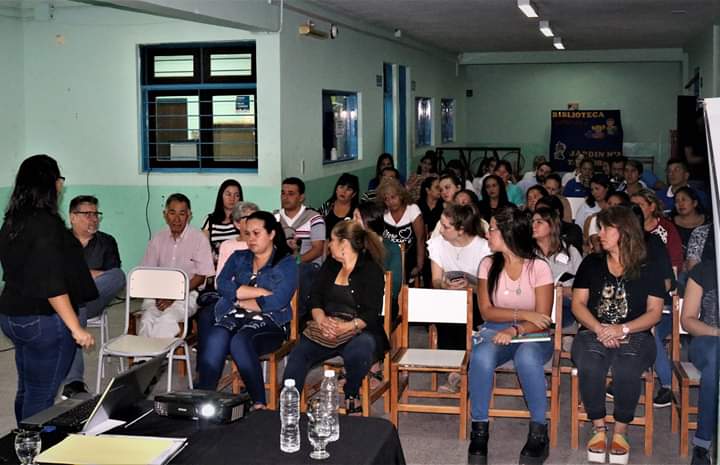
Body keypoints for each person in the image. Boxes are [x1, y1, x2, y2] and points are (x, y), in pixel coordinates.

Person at [0, 155, 96, 422]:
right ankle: (30, 453)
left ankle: (19, 442)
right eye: (60, 180)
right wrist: (76, 328)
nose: (61, 186)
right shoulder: (46, 225)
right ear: (51, 184)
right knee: (42, 394)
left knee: (28, 387)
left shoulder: (12, 220)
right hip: (42, 321)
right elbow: (52, 284)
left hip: (12, 315)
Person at [571, 206, 665, 464]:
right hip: (593, 330)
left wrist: (622, 328)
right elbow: (578, 304)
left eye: (605, 228)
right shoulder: (591, 263)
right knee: (590, 363)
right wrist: (600, 328)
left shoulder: (649, 265)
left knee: (626, 366)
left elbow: (655, 312)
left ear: (623, 231)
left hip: (635, 333)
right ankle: (599, 427)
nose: (599, 233)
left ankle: (620, 431)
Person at [468, 206, 555, 464]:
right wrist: (523, 315)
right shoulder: (487, 264)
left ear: (507, 233)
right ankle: (479, 430)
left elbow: (543, 320)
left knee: (527, 359)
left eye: (492, 228)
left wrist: (516, 328)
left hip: (533, 335)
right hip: (499, 329)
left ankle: (539, 432)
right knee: (481, 357)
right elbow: (486, 311)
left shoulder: (539, 267)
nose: (487, 234)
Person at [283, 220, 387, 413]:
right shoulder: (330, 265)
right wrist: (322, 321)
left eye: (331, 240)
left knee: (360, 349)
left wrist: (344, 327)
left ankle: (351, 395)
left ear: (344, 244)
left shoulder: (371, 270)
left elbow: (371, 313)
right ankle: (289, 401)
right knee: (299, 354)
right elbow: (314, 298)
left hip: (358, 329)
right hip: (325, 326)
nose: (328, 245)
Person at [197, 212, 298, 409]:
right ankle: (203, 398)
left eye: (256, 233)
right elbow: (222, 284)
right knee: (216, 335)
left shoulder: (286, 264)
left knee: (240, 341)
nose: (250, 239)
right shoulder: (239, 257)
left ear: (271, 234)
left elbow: (277, 301)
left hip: (271, 323)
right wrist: (256, 293)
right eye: (247, 233)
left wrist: (238, 298)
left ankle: (259, 402)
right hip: (236, 315)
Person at [61, 195, 126, 399]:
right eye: (87, 214)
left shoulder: (106, 242)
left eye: (96, 214)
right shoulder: (59, 240)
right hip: (69, 303)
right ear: (73, 217)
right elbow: (54, 275)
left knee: (118, 276)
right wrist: (90, 274)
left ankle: (76, 299)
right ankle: (74, 383)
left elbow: (111, 275)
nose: (94, 219)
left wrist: (76, 276)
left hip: (96, 300)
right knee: (76, 307)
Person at [140, 193, 215, 338]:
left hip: (187, 294)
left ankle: (154, 357)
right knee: (148, 318)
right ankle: (143, 359)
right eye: (172, 213)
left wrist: (175, 295)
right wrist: (158, 294)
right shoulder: (157, 238)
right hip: (158, 293)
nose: (176, 219)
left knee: (167, 319)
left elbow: (201, 277)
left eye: (182, 213)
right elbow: (147, 272)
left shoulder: (199, 239)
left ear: (189, 215)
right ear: (165, 214)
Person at [428, 204, 491, 355]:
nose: (441, 230)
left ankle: (467, 357)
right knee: (446, 307)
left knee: (468, 307)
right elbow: (435, 280)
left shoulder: (484, 248)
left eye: (446, 227)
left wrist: (469, 287)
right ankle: (452, 359)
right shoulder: (437, 244)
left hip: (477, 298)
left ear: (461, 230)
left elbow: (489, 289)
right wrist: (444, 285)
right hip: (449, 298)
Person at [680, 259, 719, 465]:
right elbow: (687, 319)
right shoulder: (705, 269)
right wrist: (717, 332)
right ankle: (703, 444)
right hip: (706, 340)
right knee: (716, 357)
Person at [276, 177, 326, 316]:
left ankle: (298, 317)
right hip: (282, 265)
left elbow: (317, 249)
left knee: (298, 271)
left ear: (301, 197)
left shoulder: (314, 218)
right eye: (283, 193)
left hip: (308, 266)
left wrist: (295, 262)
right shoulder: (275, 218)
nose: (285, 197)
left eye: (291, 194)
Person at [532, 207, 582, 329]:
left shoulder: (570, 251)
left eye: (539, 222)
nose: (533, 225)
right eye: (532, 222)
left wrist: (564, 291)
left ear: (552, 226)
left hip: (565, 304)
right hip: (535, 305)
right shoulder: (527, 254)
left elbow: (583, 286)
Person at [379, 178, 425, 283]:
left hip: (410, 256)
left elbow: (420, 239)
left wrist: (419, 265)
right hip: (389, 257)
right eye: (386, 199)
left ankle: (395, 295)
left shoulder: (412, 209)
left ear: (401, 195)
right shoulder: (383, 213)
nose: (390, 202)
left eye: (393, 197)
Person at [202, 179, 243, 266]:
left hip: (239, 267)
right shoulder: (210, 220)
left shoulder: (244, 220)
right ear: (221, 196)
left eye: (236, 195)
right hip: (215, 266)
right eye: (228, 194)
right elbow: (203, 248)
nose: (232, 198)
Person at [216, 202, 260, 275]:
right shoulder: (227, 246)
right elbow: (220, 280)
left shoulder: (264, 243)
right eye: (249, 218)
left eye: (256, 218)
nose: (254, 222)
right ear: (237, 224)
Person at [318, 173, 359, 239]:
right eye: (341, 187)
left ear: (353, 194)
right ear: (336, 189)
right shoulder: (327, 206)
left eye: (348, 189)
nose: (343, 191)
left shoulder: (357, 211)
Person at [672, 186, 709, 259]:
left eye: (684, 200)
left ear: (694, 203)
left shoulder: (709, 221)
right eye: (677, 201)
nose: (680, 204)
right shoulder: (670, 224)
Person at [575, 174, 611, 239]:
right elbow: (577, 228)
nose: (594, 193)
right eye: (592, 190)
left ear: (607, 188)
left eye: (597, 189)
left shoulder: (613, 204)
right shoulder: (586, 206)